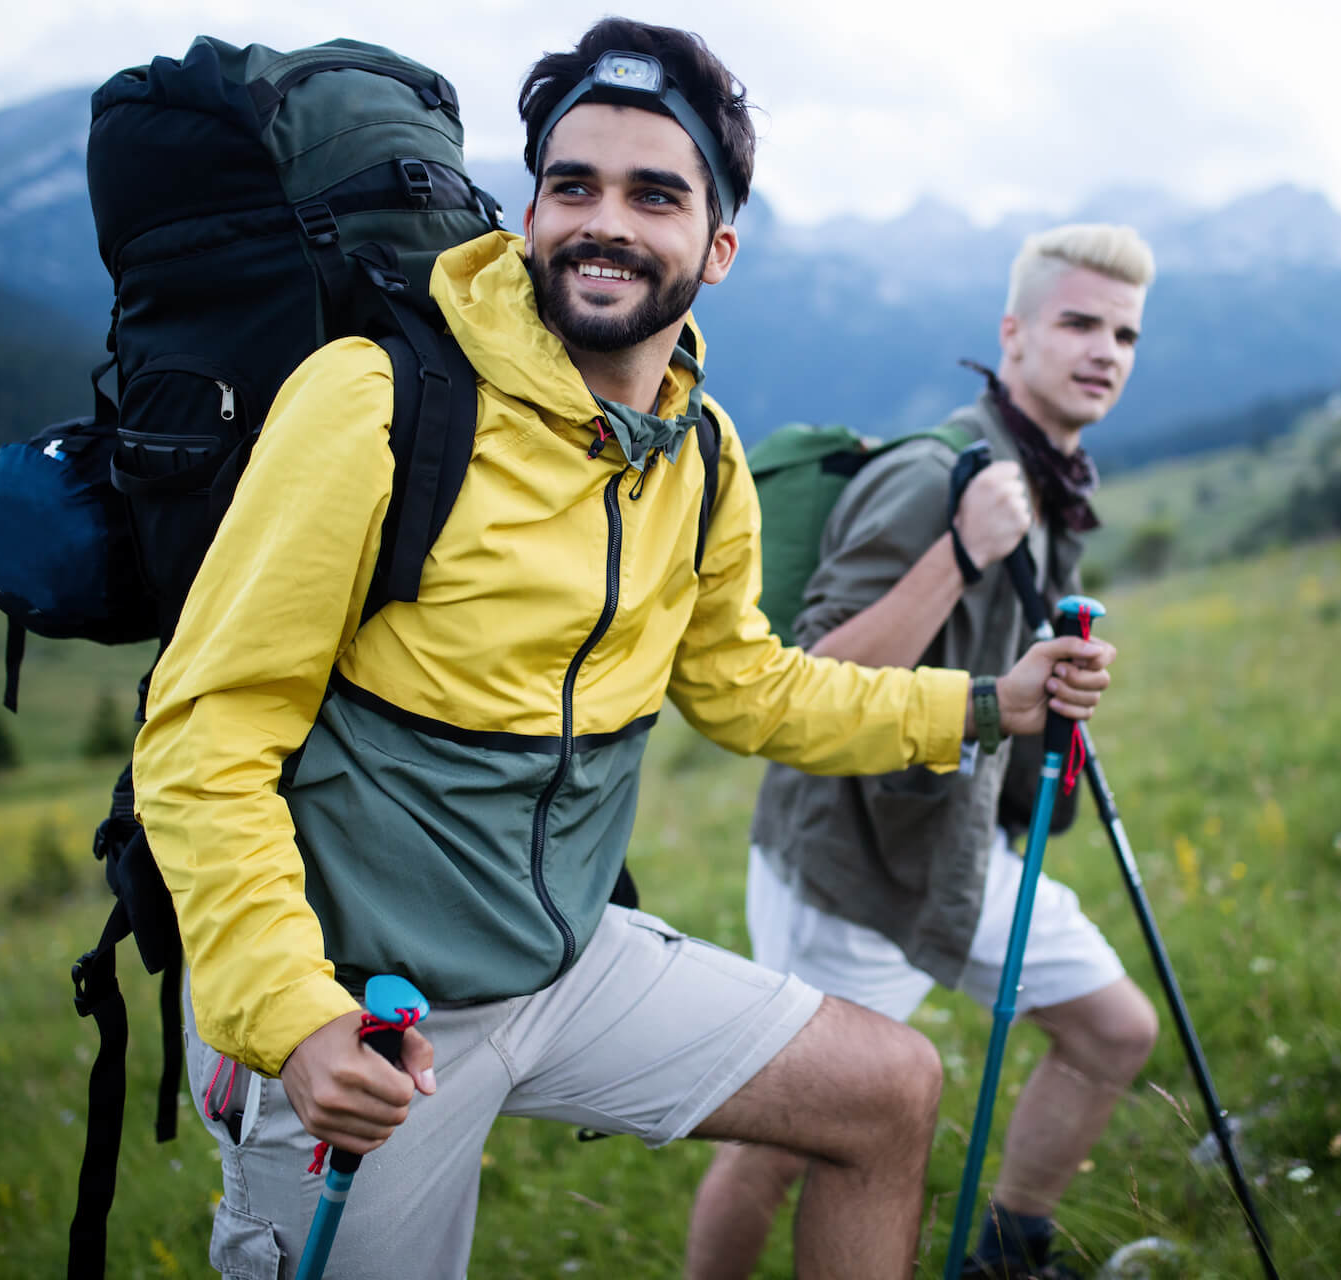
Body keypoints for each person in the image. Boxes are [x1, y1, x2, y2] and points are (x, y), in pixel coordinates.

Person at [130, 19, 1113, 1279]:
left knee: (888, 1089)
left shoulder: (699, 456)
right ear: (529, 213)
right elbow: (205, 732)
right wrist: (292, 1012)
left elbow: (749, 686)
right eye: (572, 184)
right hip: (371, 1020)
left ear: (717, 246)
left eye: (655, 194)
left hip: (566, 962)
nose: (605, 221)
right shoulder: (373, 401)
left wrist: (990, 703)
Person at [686, 224, 1159, 1280]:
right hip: (850, 864)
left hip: (954, 846)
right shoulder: (934, 476)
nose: (1106, 351)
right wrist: (959, 553)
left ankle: (1008, 1247)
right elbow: (809, 672)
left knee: (1114, 1031)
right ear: (1014, 333)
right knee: (785, 1141)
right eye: (1079, 322)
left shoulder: (1049, 472)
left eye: (1125, 332)